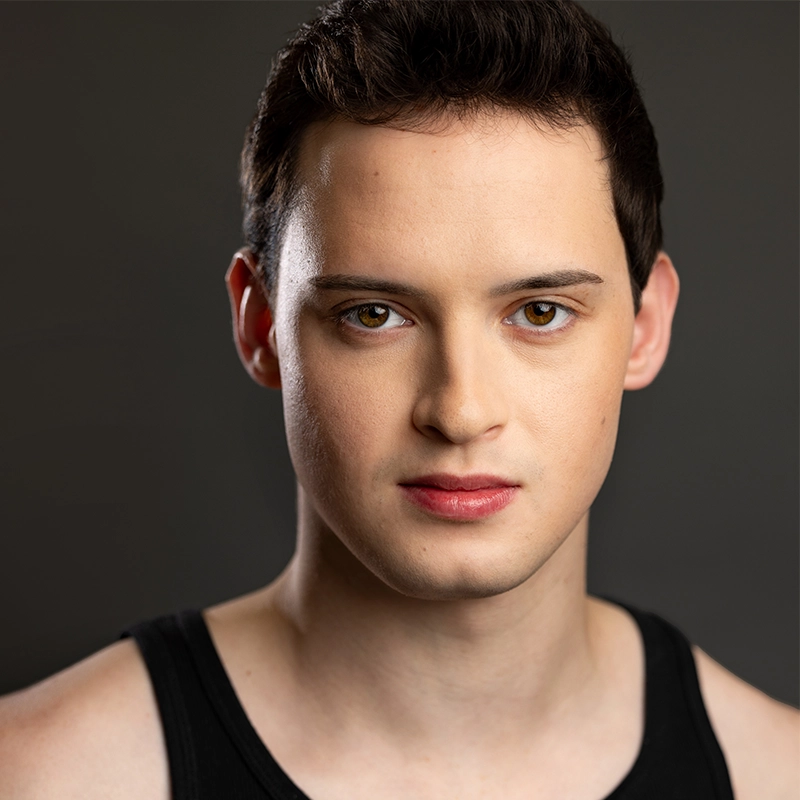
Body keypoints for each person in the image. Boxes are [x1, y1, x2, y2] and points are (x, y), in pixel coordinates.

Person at [0, 1, 797, 798]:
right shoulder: (43, 776)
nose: (459, 411)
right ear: (260, 325)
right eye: (373, 315)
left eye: (540, 313)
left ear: (645, 327)